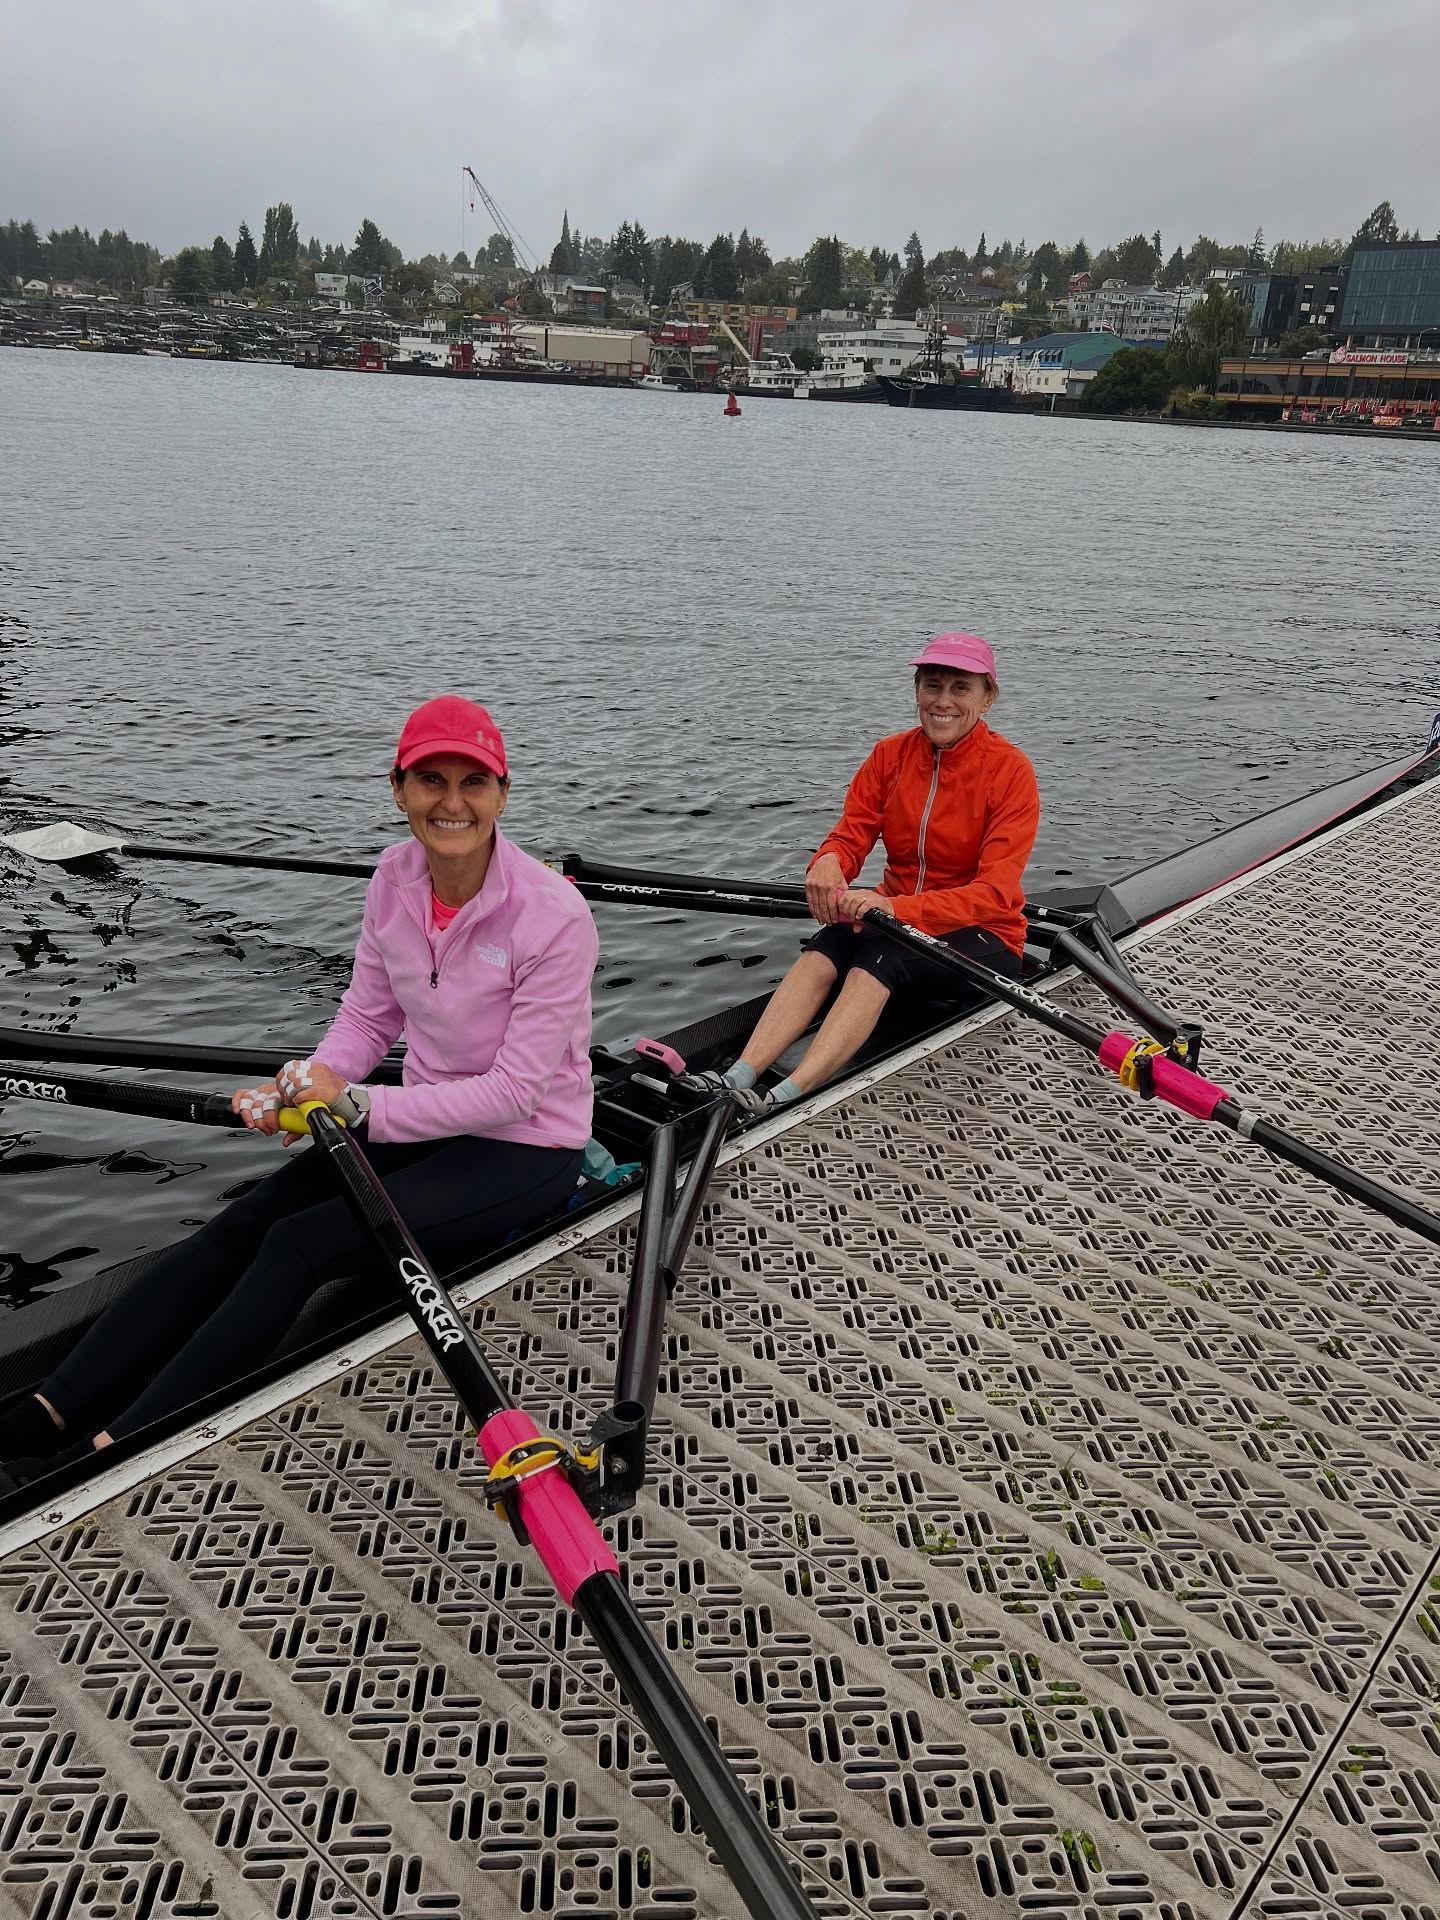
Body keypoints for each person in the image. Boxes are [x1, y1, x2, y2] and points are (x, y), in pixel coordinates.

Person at [0, 695, 599, 1483]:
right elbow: (366, 1015)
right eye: (430, 781)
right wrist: (316, 1080)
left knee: (301, 1245)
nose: (451, 803)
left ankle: (101, 1454)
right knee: (242, 1223)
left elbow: (515, 1092)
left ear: (502, 795)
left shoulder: (554, 916)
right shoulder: (394, 876)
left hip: (526, 1147)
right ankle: (45, 1410)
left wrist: (361, 1108)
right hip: (419, 1121)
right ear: (399, 790)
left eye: (472, 784)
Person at [685, 632, 1039, 1113]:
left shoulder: (1010, 772)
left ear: (987, 697)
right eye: (932, 685)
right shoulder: (890, 756)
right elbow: (852, 833)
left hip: (984, 934)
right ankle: (735, 1079)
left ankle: (781, 1098)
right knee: (829, 942)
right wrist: (829, 862)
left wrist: (895, 906)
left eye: (960, 689)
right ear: (916, 691)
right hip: (897, 918)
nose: (943, 702)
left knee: (880, 959)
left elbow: (994, 893)